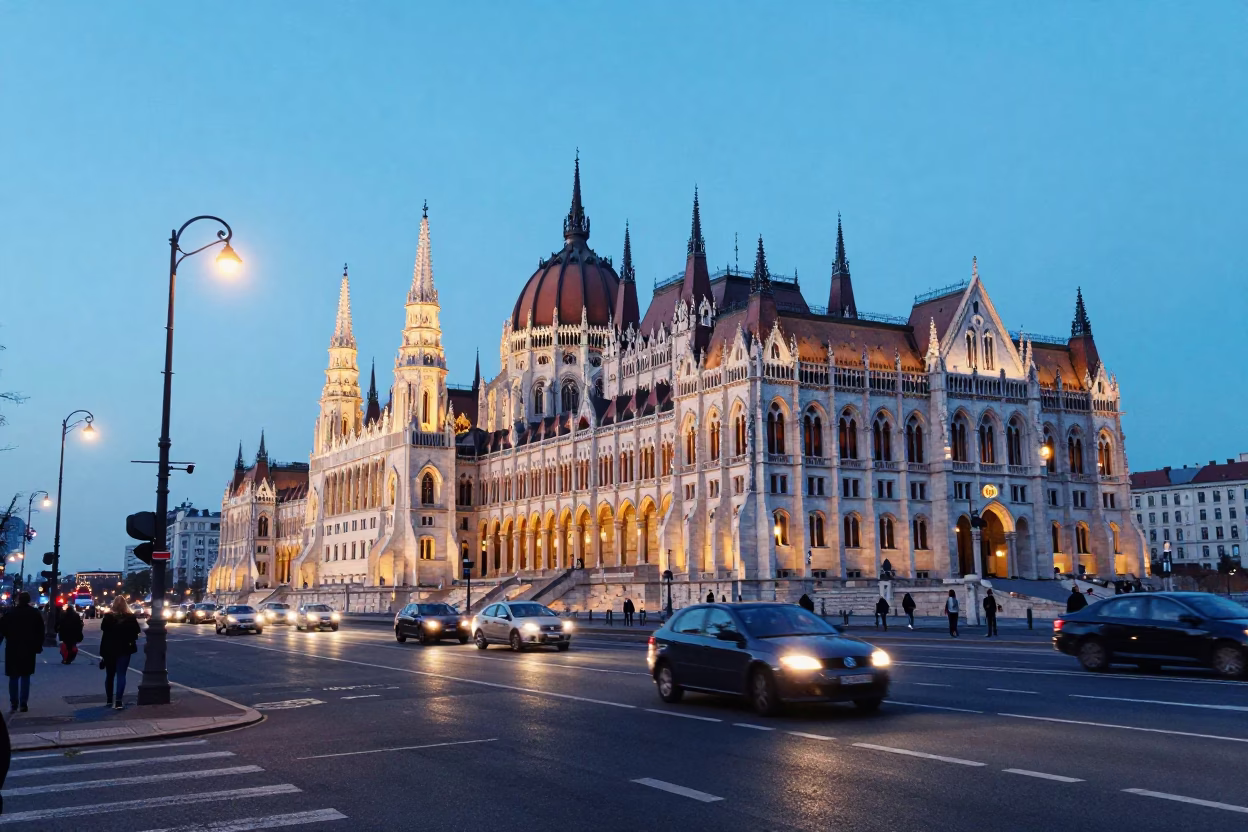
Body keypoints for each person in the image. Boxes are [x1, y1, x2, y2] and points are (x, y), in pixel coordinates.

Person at [0, 592, 45, 713]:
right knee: (26, 675)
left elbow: (2, 629)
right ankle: (23, 703)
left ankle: (14, 703)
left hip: (13, 647)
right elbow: (40, 631)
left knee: (13, 676)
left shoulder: (10, 613)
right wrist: (38, 646)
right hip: (28, 648)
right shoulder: (34, 613)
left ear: (18, 600)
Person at [100, 596, 141, 710]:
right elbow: (136, 632)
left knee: (110, 675)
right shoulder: (130, 618)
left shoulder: (108, 617)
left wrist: (102, 652)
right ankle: (118, 701)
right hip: (124, 648)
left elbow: (104, 633)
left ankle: (109, 700)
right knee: (121, 675)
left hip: (109, 649)